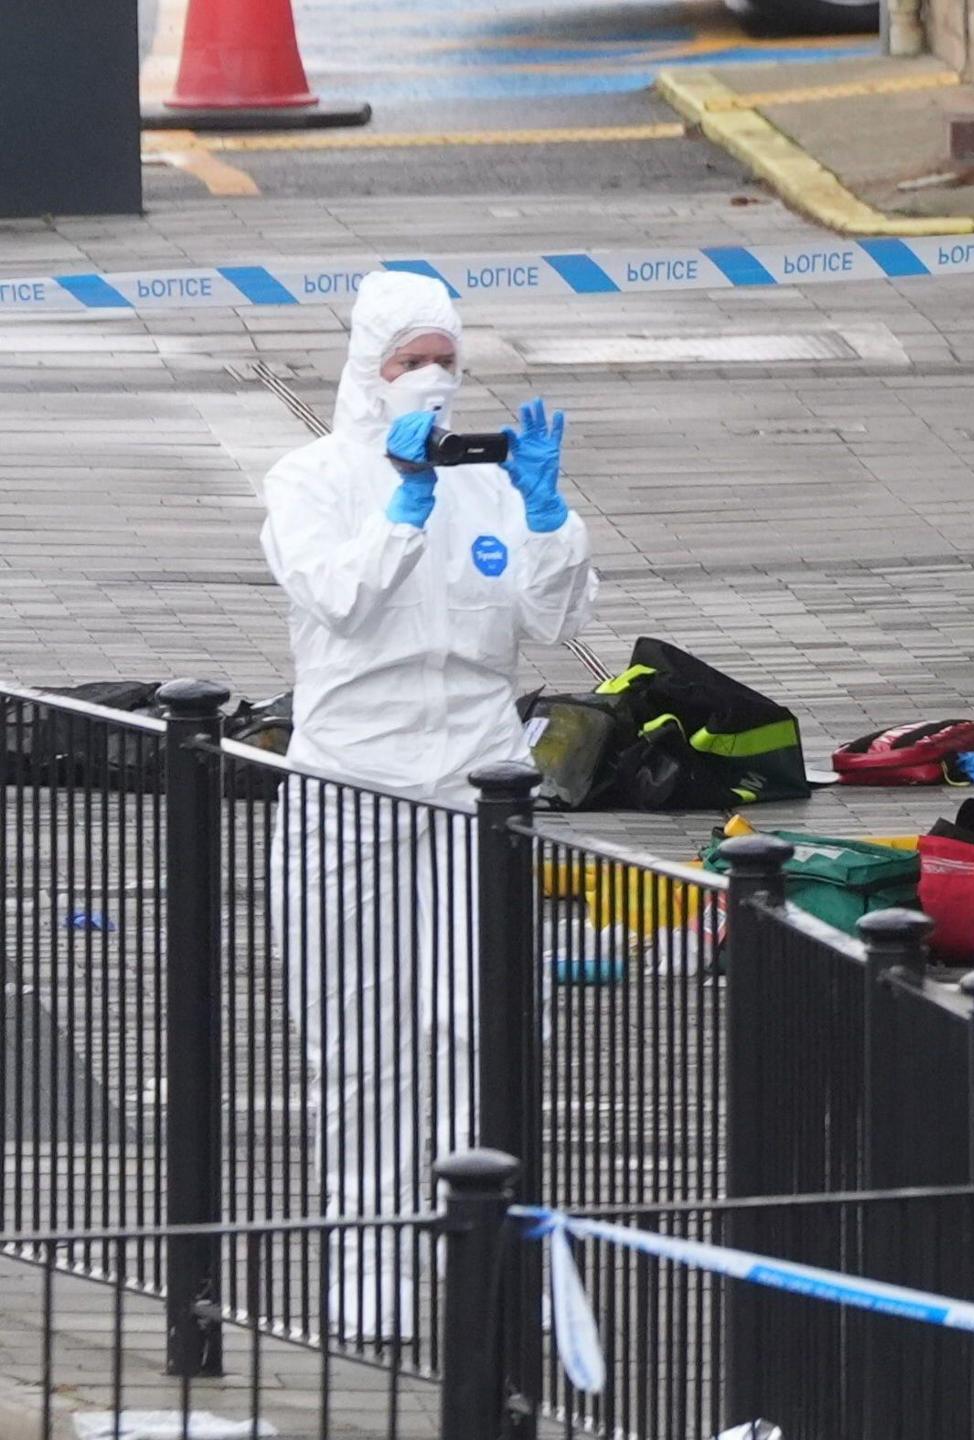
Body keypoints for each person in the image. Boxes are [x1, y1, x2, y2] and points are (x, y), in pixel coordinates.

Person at [259, 270, 597, 1341]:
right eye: (410, 361)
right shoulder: (310, 478)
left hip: (477, 786)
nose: (433, 380)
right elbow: (341, 599)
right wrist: (403, 503)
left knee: (484, 1025)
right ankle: (373, 1257)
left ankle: (493, 1245)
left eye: (447, 359)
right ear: (367, 368)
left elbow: (552, 617)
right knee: (359, 1037)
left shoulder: (488, 484)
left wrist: (547, 512)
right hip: (349, 789)